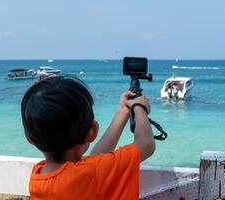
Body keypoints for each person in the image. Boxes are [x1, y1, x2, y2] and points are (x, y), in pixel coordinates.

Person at [21, 75, 155, 200]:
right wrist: (139, 108)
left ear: (29, 137)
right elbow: (146, 145)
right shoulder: (92, 172)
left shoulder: (38, 177)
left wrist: (122, 112)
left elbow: (95, 159)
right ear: (93, 131)